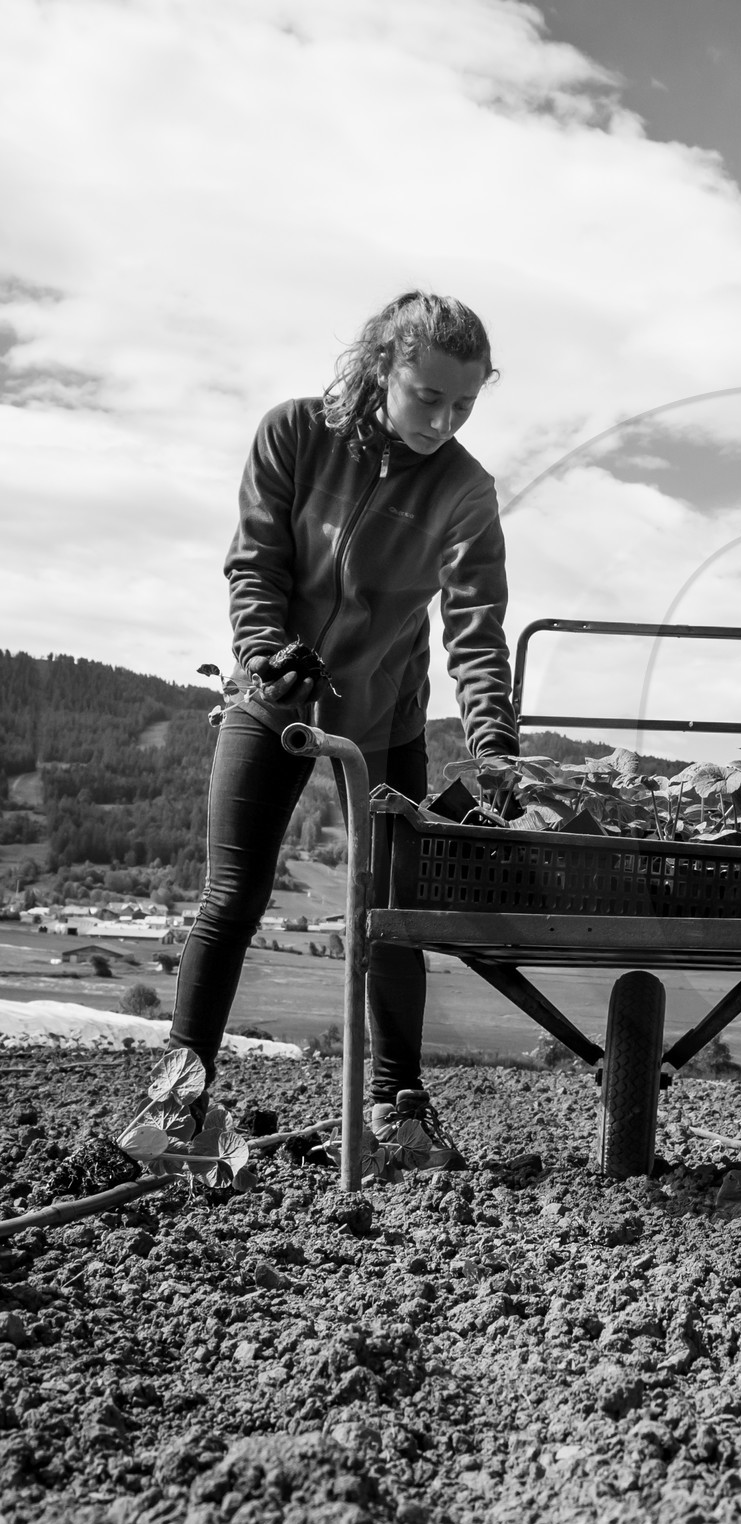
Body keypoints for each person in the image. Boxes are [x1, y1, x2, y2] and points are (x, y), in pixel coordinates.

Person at [166, 291, 519, 1170]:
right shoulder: (294, 433)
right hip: (273, 693)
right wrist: (263, 653)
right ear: (381, 369)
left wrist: (495, 746)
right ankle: (175, 1109)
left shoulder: (463, 488)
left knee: (390, 916)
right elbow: (257, 561)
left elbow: (477, 628)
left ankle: (398, 1112)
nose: (443, 421)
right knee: (231, 897)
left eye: (464, 404)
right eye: (427, 397)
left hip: (383, 716)